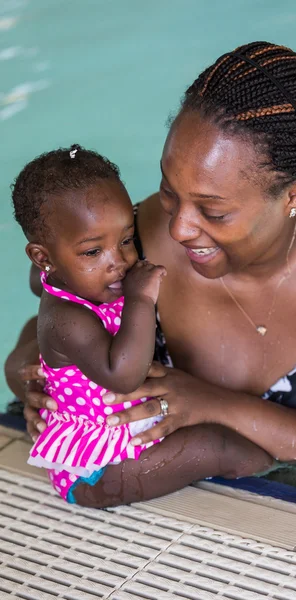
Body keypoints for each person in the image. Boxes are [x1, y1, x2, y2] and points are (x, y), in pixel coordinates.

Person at [5, 41, 296, 509]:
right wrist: (32, 376)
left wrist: (214, 406)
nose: (178, 228)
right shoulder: (137, 236)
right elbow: (58, 315)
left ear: (295, 192)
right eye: (168, 192)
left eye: (212, 211)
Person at [9, 144, 167, 502]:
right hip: (96, 469)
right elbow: (124, 377)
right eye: (93, 252)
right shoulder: (68, 318)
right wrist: (141, 300)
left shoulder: (77, 280)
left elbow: (39, 281)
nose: (120, 261)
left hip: (122, 439)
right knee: (221, 449)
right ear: (43, 257)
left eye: (126, 240)